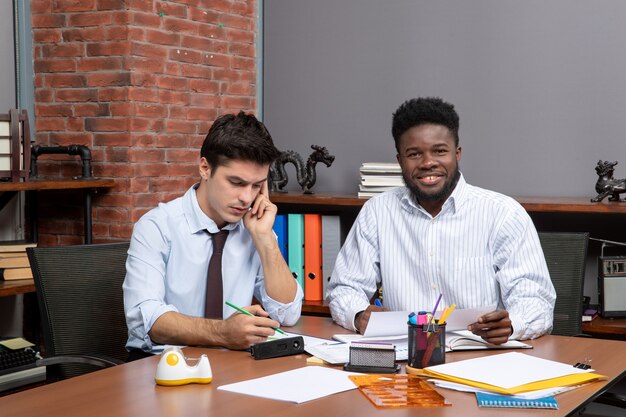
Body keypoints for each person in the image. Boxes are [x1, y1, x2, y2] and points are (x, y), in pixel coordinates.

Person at [327, 97, 556, 344]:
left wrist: (513, 324)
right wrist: (358, 314)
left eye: (439, 151)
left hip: (482, 354)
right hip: (407, 359)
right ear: (400, 160)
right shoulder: (377, 212)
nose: (427, 163)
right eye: (414, 154)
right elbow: (344, 288)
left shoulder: (503, 214)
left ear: (457, 153)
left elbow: (536, 300)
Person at [124, 111, 302, 356]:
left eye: (257, 185)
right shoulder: (157, 226)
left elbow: (288, 314)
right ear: (205, 168)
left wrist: (264, 238)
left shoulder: (254, 227)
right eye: (237, 183)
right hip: (164, 366)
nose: (247, 197)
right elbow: (147, 320)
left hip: (231, 366)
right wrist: (222, 332)